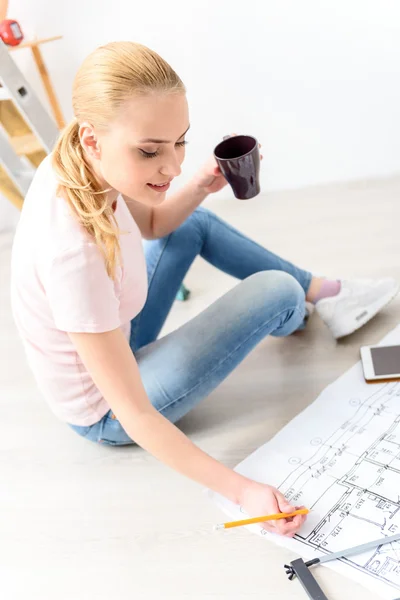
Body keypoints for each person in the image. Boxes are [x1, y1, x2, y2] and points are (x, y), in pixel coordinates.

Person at [11, 41, 398, 538]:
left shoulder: (80, 157)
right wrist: (243, 491)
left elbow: (153, 227)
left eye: (180, 142)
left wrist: (198, 185)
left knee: (194, 223)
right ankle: (299, 305)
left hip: (114, 331)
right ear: (91, 138)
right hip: (106, 409)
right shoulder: (73, 254)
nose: (170, 166)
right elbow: (135, 413)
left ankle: (323, 293)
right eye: (150, 151)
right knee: (277, 291)